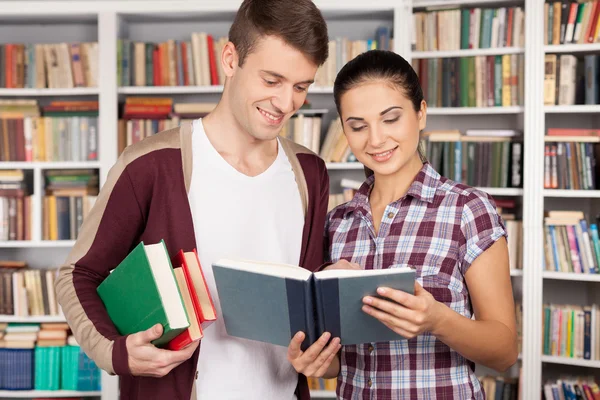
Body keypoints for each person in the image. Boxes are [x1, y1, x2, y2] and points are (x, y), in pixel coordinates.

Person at [54, 0, 339, 398]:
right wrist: (116, 352)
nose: (286, 103)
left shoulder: (310, 172)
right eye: (271, 80)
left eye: (301, 87)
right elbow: (78, 275)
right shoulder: (152, 164)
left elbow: (306, 296)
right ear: (229, 58)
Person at [316, 49, 519, 398]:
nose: (375, 139)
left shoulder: (467, 210)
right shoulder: (338, 223)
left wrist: (438, 320)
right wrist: (318, 362)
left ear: (420, 113)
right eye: (358, 125)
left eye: (390, 118)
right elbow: (342, 361)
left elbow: (504, 352)